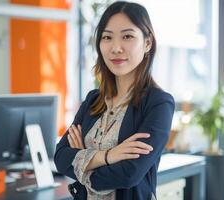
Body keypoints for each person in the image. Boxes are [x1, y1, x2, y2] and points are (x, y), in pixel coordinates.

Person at [54, 1, 175, 200]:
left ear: (147, 43)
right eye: (107, 37)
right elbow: (60, 158)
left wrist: (82, 158)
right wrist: (109, 156)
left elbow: (129, 174)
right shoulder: (94, 99)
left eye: (127, 36)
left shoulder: (159, 103)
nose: (116, 48)